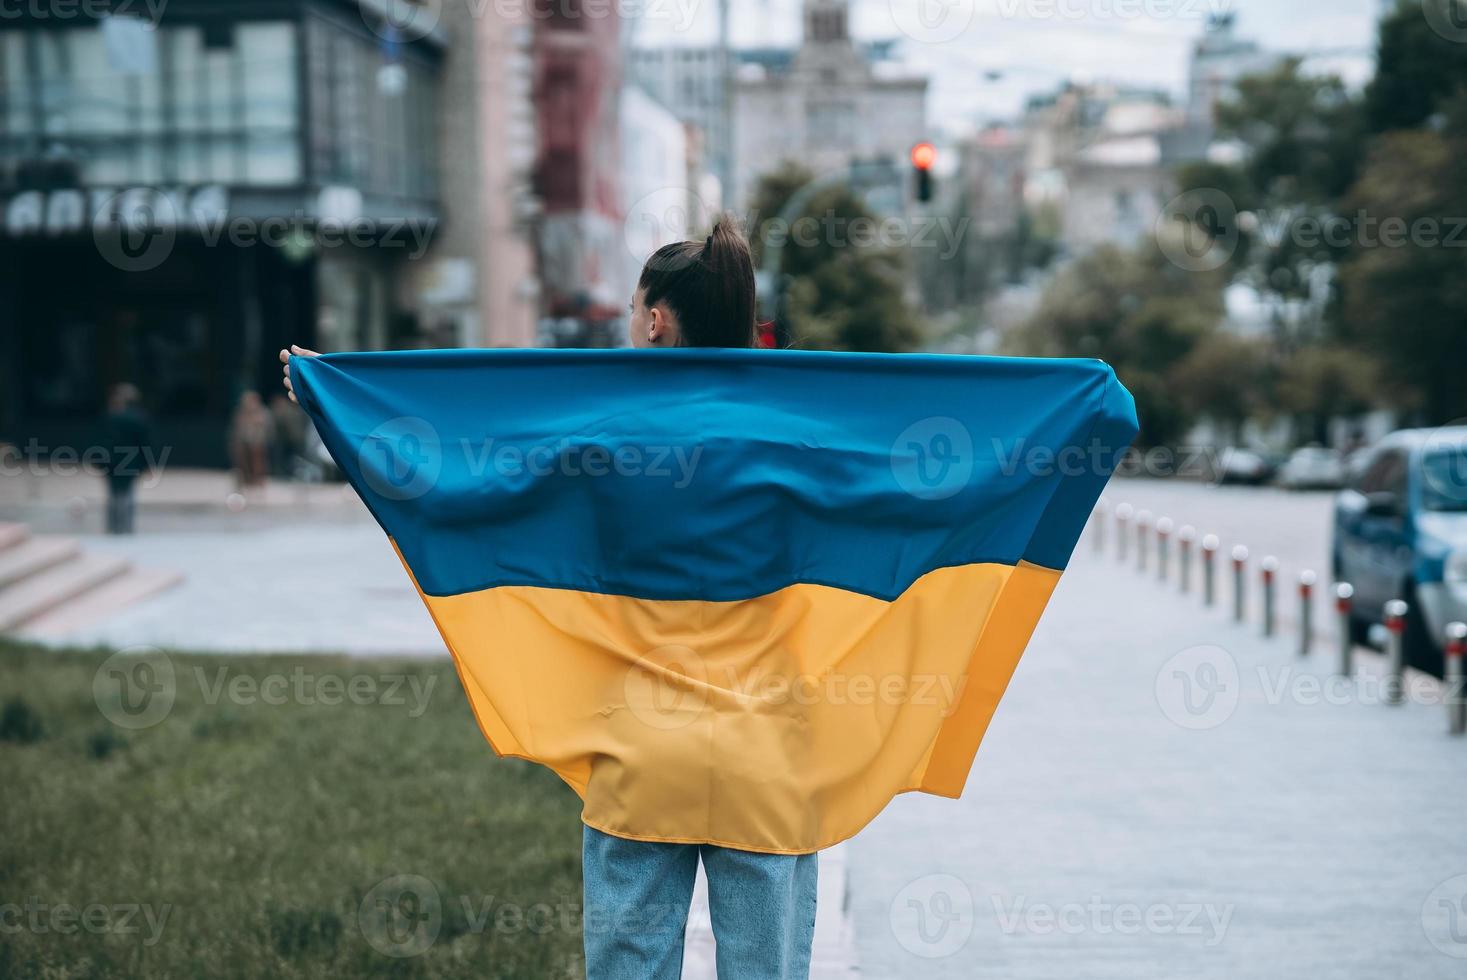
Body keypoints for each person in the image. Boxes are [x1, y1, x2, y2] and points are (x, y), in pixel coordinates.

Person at [280, 219, 818, 979]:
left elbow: (466, 488)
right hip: (767, 750)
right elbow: (918, 495)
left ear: (657, 321)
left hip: (643, 748)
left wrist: (339, 406)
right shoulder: (795, 431)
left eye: (636, 309)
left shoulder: (607, 434)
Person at [98, 382, 154, 535]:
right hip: (130, 461)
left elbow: (101, 441)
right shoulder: (138, 418)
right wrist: (148, 463)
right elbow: (144, 443)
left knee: (114, 493)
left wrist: (100, 460)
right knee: (127, 494)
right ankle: (125, 526)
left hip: (113, 460)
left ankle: (114, 526)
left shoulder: (110, 417)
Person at [228, 390, 272, 490]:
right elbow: (237, 429)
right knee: (240, 454)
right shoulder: (241, 412)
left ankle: (258, 480)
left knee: (257, 457)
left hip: (258, 441)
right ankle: (246, 479)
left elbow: (266, 429)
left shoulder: (262, 412)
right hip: (244, 441)